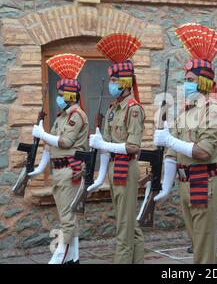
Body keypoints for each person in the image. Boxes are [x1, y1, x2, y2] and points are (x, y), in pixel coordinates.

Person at [153, 24, 217, 264]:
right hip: (186, 182)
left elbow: (203, 151)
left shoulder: (212, 110)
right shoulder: (185, 111)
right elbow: (172, 152)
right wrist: (165, 185)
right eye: (185, 79)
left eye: (191, 80)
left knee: (204, 248)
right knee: (198, 245)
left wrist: (170, 139)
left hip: (203, 181)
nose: (186, 84)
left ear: (204, 82)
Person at [87, 33, 146, 264]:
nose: (110, 84)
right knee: (130, 225)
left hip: (126, 169)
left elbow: (132, 146)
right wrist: (100, 175)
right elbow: (107, 146)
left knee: (124, 226)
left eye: (113, 81)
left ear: (124, 82)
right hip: (113, 169)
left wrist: (104, 144)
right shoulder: (113, 109)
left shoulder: (133, 109)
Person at [30, 53, 89, 264]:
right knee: (67, 215)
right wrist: (38, 168)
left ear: (72, 95)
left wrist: (42, 134)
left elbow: (64, 142)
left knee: (66, 217)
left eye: (62, 93)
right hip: (59, 171)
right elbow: (50, 145)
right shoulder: (61, 116)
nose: (59, 96)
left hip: (69, 171)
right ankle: (74, 258)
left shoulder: (77, 115)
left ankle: (58, 258)